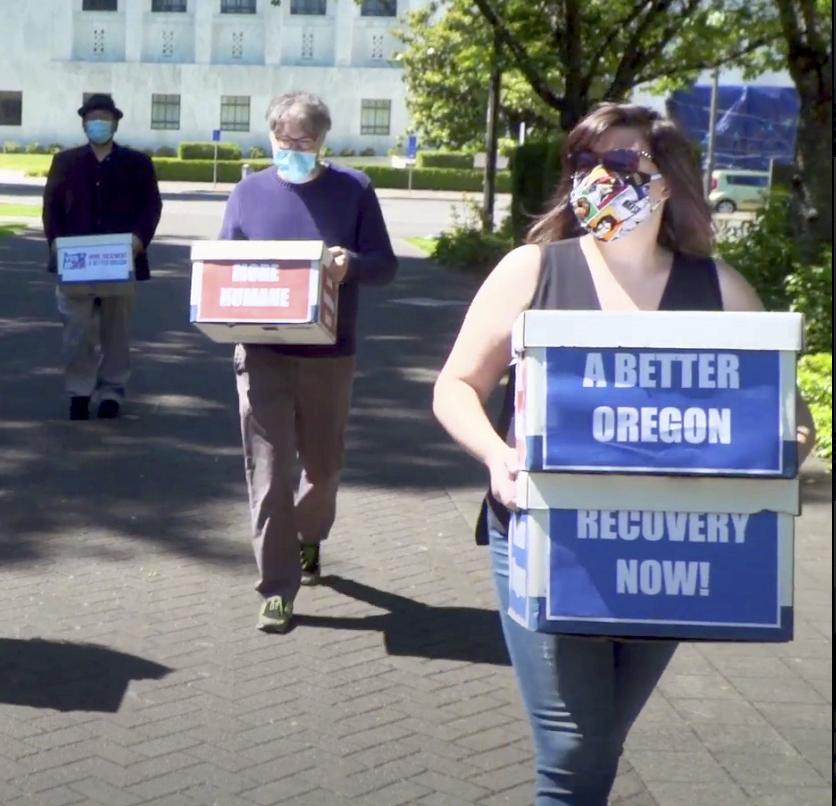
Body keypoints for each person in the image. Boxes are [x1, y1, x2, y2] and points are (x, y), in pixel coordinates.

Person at [432, 103, 819, 806]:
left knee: (601, 742)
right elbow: (454, 385)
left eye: (618, 164)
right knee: (573, 751)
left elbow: (790, 415)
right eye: (582, 163)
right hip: (546, 537)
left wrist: (782, 452)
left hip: (668, 548)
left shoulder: (719, 290)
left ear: (664, 182)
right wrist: (496, 456)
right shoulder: (532, 272)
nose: (595, 179)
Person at [217, 92, 397, 633]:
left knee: (322, 471)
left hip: (329, 355)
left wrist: (352, 265)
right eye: (283, 141)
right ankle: (277, 588)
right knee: (269, 475)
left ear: (323, 142)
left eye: (304, 142)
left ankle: (309, 537)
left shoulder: (354, 190)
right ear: (270, 137)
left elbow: (386, 265)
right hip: (262, 354)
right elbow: (224, 266)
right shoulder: (247, 194)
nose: (292, 150)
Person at [41, 94, 163, 420]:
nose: (98, 124)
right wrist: (53, 242)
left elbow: (151, 205)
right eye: (92, 118)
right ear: (83, 123)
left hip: (120, 261)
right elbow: (50, 206)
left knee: (116, 332)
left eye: (104, 118)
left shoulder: (136, 163)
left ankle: (112, 391)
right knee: (76, 332)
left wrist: (140, 239)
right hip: (75, 262)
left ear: (115, 123)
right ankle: (79, 390)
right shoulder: (66, 162)